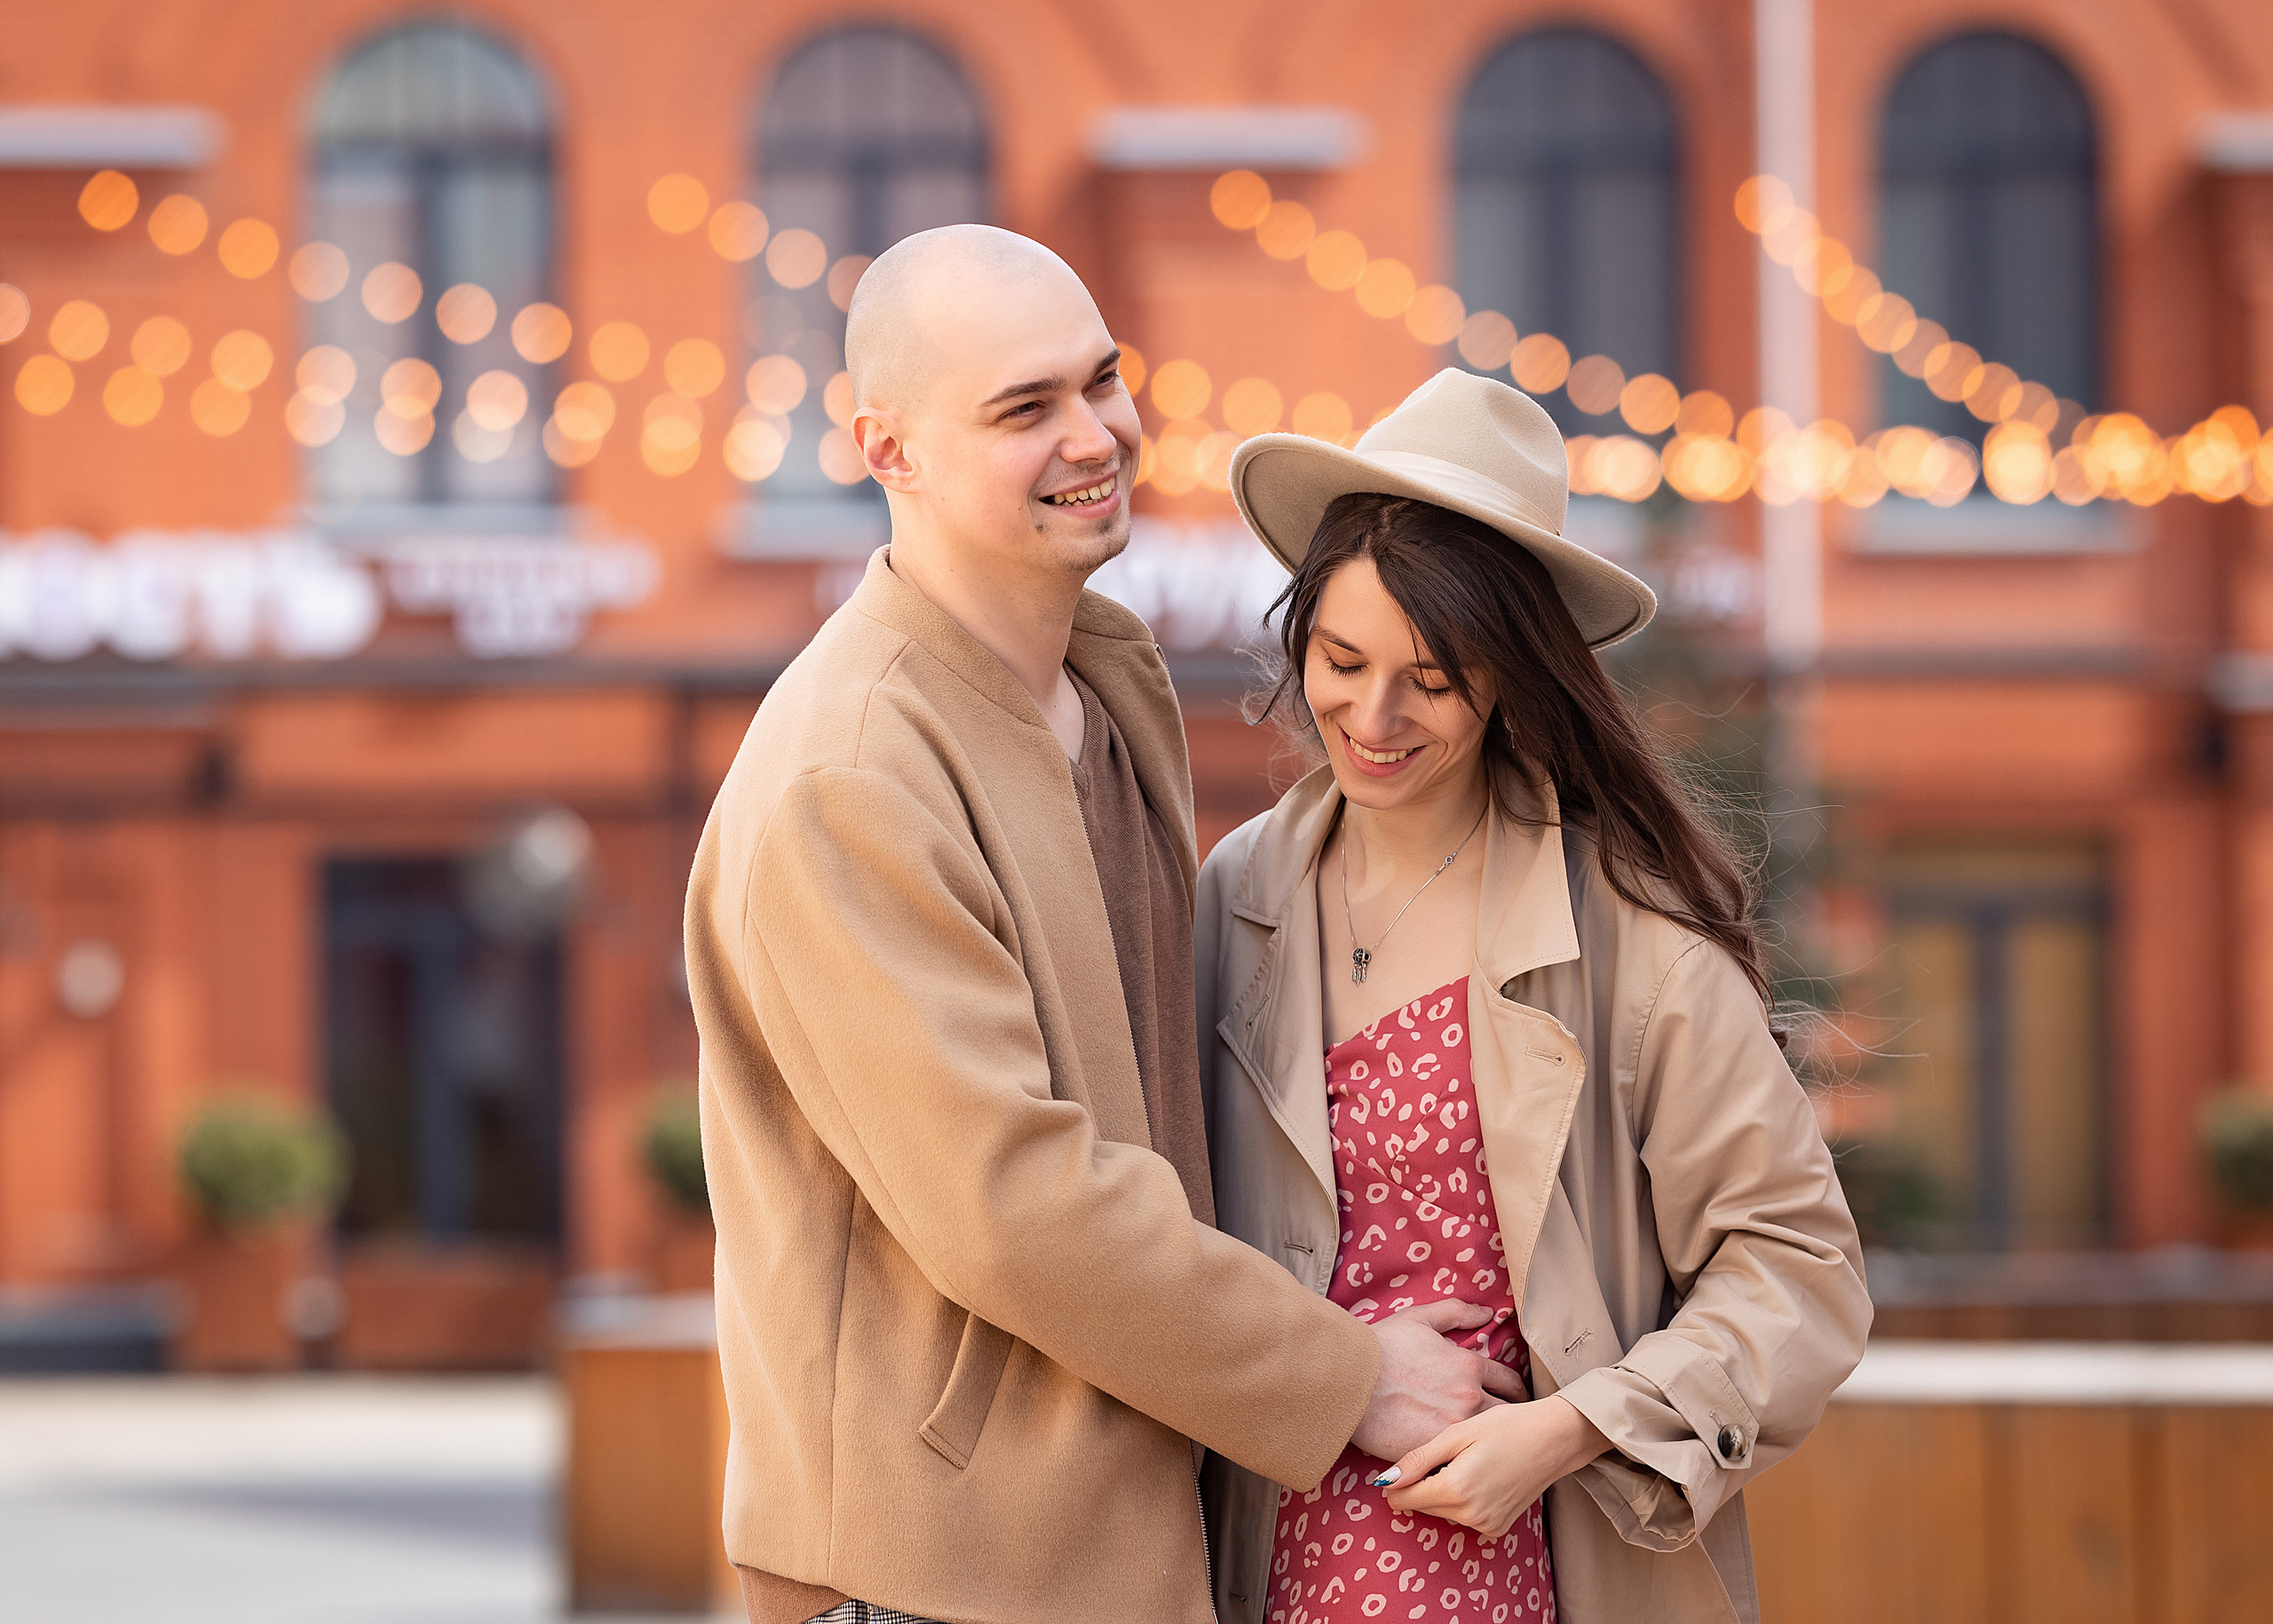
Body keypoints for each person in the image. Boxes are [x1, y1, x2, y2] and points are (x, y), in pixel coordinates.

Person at [685, 230, 1525, 1624]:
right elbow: (1013, 1202)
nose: (1094, 435)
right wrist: (1342, 1372)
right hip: (936, 1574)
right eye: (1026, 409)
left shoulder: (1102, 681)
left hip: (1118, 1542)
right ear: (885, 448)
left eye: (1103, 380)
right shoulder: (853, 774)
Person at [1197, 369, 1873, 1624]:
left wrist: (1569, 1428)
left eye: (1434, 680)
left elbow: (1801, 1265)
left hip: (1513, 1572)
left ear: (1512, 677)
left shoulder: (1628, 928)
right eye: (1342, 659)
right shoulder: (1233, 899)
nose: (1373, 716)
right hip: (1255, 1562)